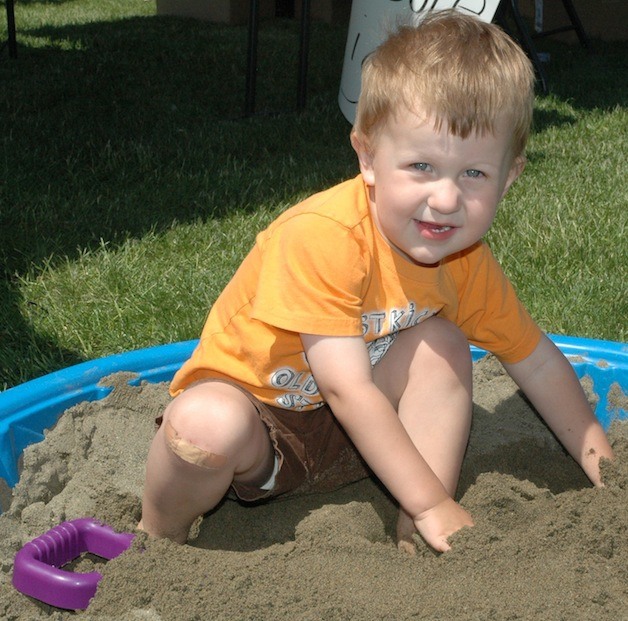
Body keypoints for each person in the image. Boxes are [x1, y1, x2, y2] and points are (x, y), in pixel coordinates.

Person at [140, 10, 614, 553]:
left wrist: (606, 467)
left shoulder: (466, 259)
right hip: (262, 427)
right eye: (420, 166)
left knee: (440, 341)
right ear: (367, 155)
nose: (445, 199)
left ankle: (418, 535)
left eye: (474, 174)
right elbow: (346, 386)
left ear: (509, 178)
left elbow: (535, 361)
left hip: (363, 445)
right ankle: (157, 542)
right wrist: (433, 501)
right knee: (203, 426)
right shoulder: (324, 236)